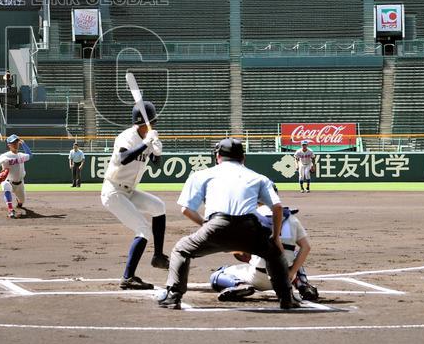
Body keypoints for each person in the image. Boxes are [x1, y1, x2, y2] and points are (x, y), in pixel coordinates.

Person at [157, 138, 300, 310]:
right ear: (243, 158)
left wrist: (206, 225)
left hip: (216, 224)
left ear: (218, 156)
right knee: (274, 254)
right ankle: (286, 298)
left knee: (181, 249)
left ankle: (173, 296)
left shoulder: (201, 175)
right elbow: (277, 207)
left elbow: (185, 209)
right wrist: (275, 237)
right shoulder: (258, 177)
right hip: (249, 228)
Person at [101, 101, 168, 290]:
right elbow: (124, 158)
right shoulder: (127, 136)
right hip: (113, 191)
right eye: (151, 122)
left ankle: (158, 256)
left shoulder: (148, 136)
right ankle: (128, 277)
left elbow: (155, 162)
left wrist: (157, 151)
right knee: (143, 230)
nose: (154, 125)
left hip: (129, 191)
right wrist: (146, 143)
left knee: (159, 206)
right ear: (141, 123)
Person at [209, 199, 318, 302]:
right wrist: (292, 273)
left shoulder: (251, 216)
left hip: (258, 277)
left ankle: (239, 285)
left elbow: (236, 248)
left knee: (218, 275)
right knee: (293, 254)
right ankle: (302, 284)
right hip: (286, 279)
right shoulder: (291, 217)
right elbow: (306, 248)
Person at [0, 134, 32, 219]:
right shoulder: (4, 156)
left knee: (22, 201)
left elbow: (30, 155)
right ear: (9, 145)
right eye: (13, 143)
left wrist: (23, 143)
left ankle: (19, 203)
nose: (15, 144)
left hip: (20, 183)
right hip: (8, 181)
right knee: (5, 185)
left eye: (16, 142)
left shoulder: (21, 155)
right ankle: (10, 210)